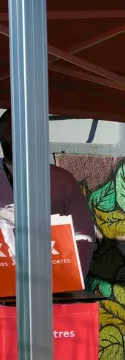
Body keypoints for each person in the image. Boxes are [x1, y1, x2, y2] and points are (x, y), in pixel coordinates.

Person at [0, 109, 95, 279]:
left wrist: (71, 279)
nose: (16, 134)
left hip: (52, 287)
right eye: (9, 129)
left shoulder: (62, 180)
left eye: (22, 128)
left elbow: (83, 234)